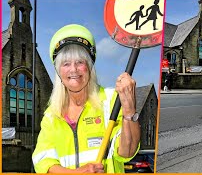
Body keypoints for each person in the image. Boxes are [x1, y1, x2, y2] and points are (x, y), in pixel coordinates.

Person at [32, 24, 140, 173]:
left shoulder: (110, 101)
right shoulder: (51, 116)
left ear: (89, 67)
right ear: (58, 72)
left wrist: (129, 109)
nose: (73, 69)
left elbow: (126, 152)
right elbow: (44, 163)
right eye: (66, 63)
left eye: (80, 62)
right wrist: (77, 173)